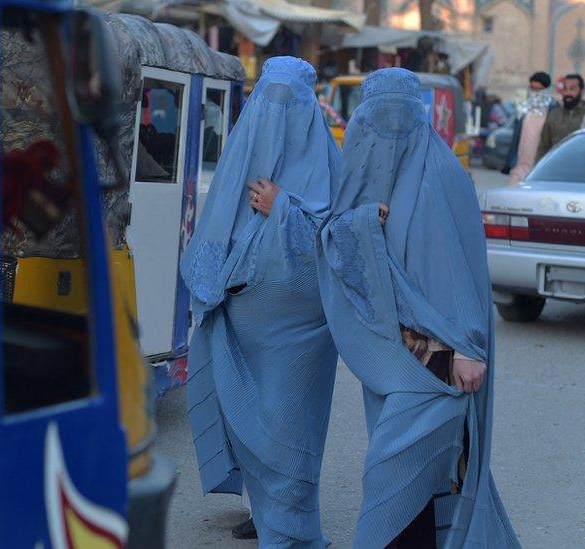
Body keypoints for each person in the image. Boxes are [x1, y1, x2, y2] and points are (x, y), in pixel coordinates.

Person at [316, 68, 520, 548]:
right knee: (423, 480)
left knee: (391, 479)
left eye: (399, 117)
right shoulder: (365, 170)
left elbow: (461, 270)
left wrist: (469, 344)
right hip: (389, 358)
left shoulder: (444, 175)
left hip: (441, 363)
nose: (388, 129)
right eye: (378, 116)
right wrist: (364, 222)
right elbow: (331, 242)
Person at [180, 57, 341, 548]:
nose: (275, 114)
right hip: (241, 311)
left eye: (287, 103)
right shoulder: (241, 151)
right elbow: (219, 219)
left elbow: (340, 240)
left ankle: (290, 523)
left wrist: (283, 209)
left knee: (291, 420)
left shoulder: (330, 163)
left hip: (303, 326)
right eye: (267, 101)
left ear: (308, 107)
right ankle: (262, 508)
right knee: (244, 411)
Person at [508, 71, 554, 184]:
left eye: (539, 90)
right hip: (520, 163)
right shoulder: (523, 109)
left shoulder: (553, 109)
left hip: (542, 164)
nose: (535, 93)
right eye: (533, 89)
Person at [536, 73, 585, 161]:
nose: (567, 93)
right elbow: (544, 146)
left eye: (572, 89)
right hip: (556, 166)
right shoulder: (554, 115)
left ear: (582, 91)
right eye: (565, 89)